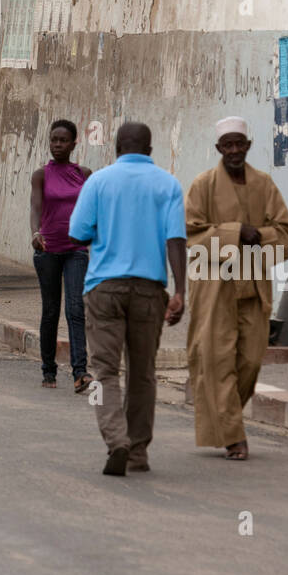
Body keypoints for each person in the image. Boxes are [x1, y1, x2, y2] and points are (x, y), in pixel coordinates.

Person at [68, 121, 186, 476]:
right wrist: (180, 291)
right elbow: (176, 240)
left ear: (117, 148)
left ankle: (116, 440)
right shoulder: (168, 184)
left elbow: (77, 233)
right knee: (143, 373)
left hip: (104, 288)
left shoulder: (99, 181)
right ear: (150, 150)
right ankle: (137, 452)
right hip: (150, 290)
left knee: (104, 372)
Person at [185, 117, 288, 461]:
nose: (234, 150)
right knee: (217, 360)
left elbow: (286, 231)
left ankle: (224, 420)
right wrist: (235, 232)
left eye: (239, 144)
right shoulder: (202, 185)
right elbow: (191, 234)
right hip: (214, 282)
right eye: (227, 145)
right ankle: (234, 436)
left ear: (248, 145)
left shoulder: (264, 184)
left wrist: (257, 235)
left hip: (254, 282)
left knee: (250, 358)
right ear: (219, 148)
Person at [30, 120, 93, 393]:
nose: (57, 145)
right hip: (47, 250)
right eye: (54, 140)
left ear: (74, 143)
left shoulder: (85, 174)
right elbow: (35, 207)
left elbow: (93, 209)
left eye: (63, 140)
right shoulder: (40, 175)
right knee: (51, 310)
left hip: (76, 250)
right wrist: (35, 232)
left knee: (76, 309)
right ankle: (48, 369)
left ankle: (80, 372)